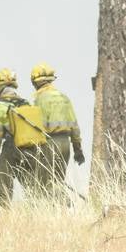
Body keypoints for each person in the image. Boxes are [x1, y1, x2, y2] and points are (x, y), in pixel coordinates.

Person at [30, 63, 84, 199]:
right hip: (66, 144)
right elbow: (74, 126)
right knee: (58, 179)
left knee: (47, 181)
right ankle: (62, 207)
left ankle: (62, 202)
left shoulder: (40, 99)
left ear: (36, 81)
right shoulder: (64, 98)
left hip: (50, 143)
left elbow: (38, 128)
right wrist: (78, 150)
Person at [0, 70, 23, 205]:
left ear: (0, 87)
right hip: (32, 148)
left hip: (11, 147)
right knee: (34, 185)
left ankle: (3, 212)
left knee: (3, 181)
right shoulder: (26, 104)